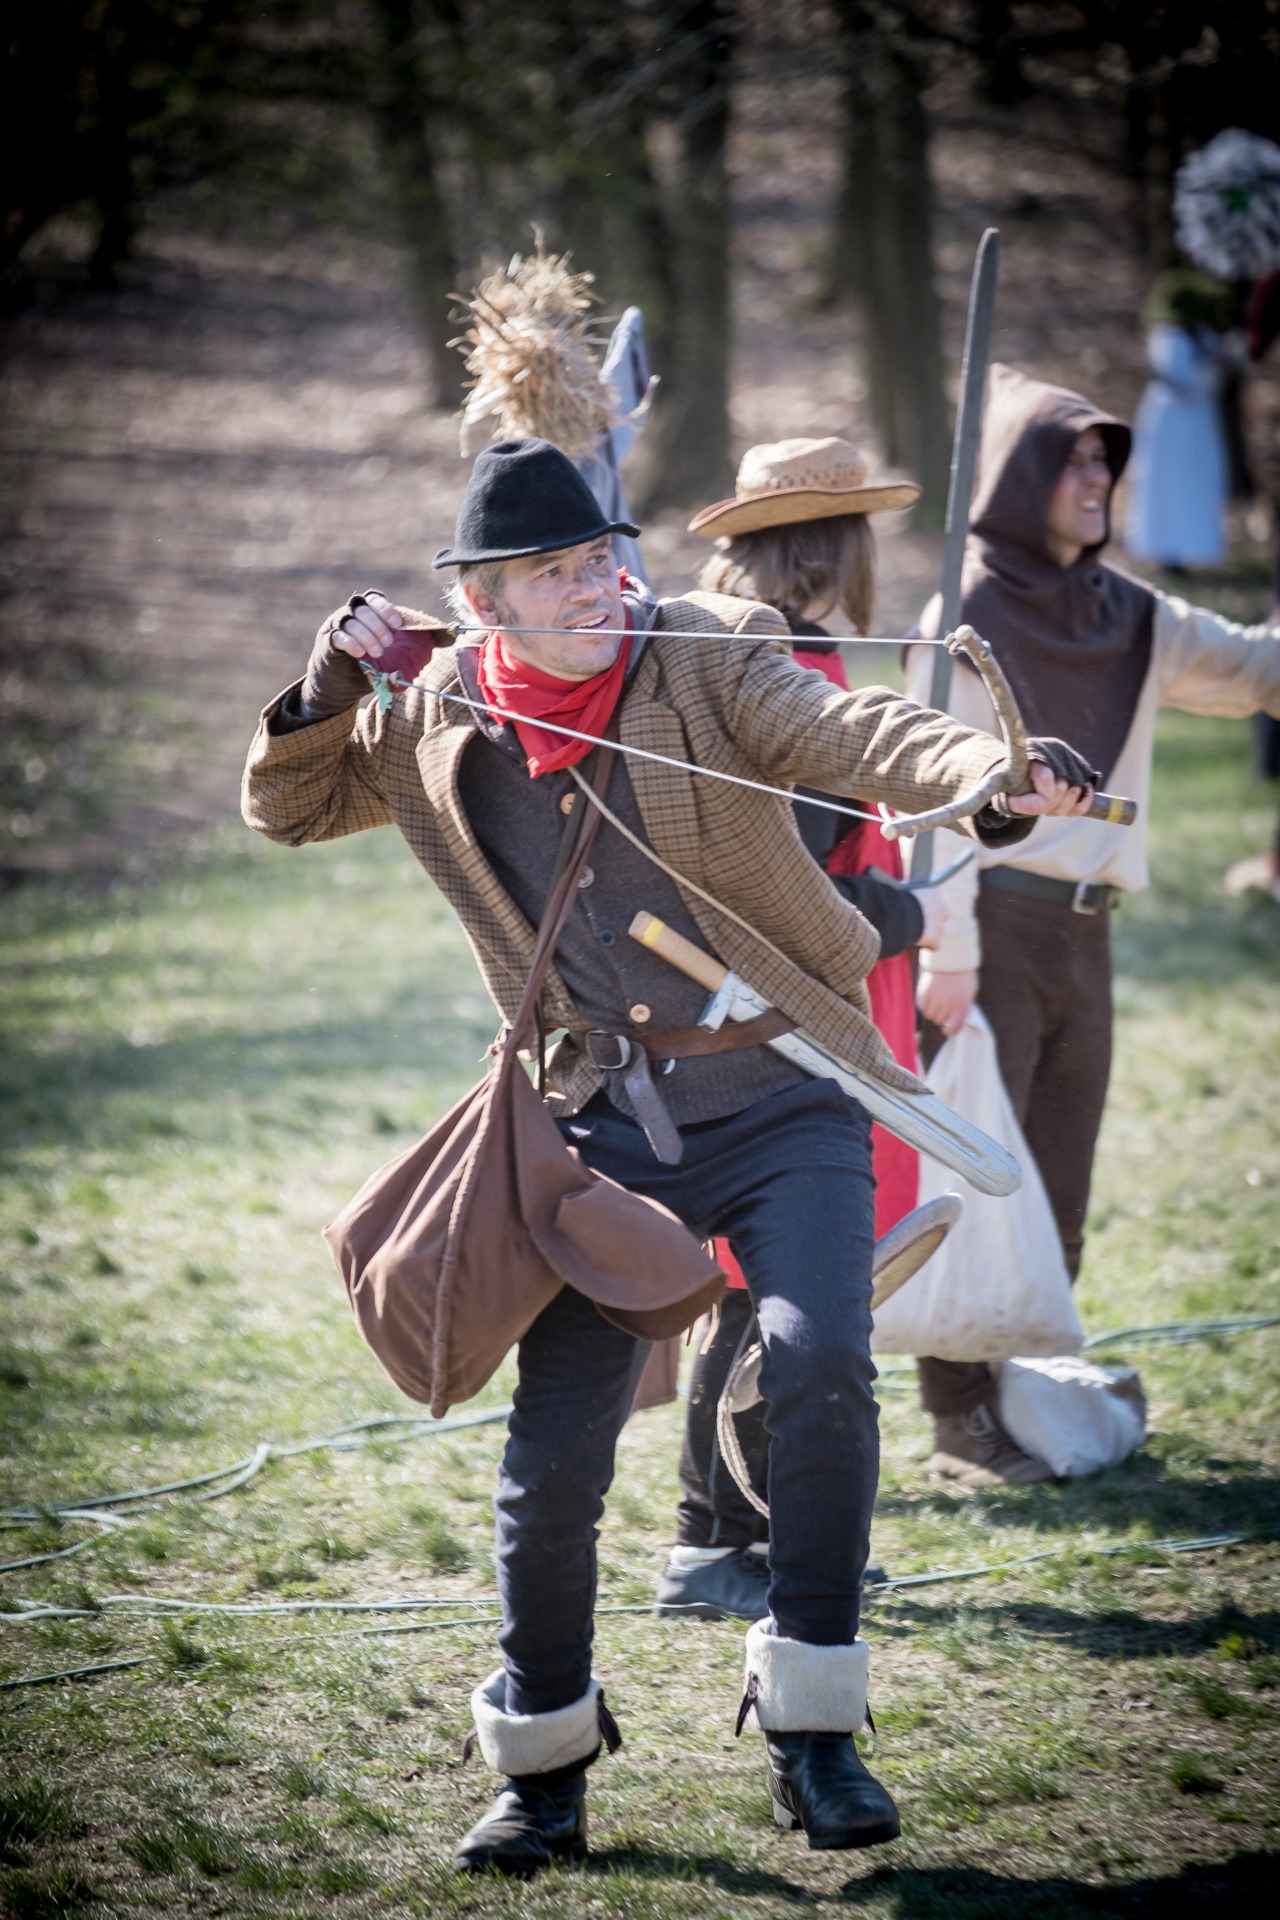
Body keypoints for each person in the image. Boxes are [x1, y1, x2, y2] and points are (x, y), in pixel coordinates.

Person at [242, 436, 1097, 1873]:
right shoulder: (436, 709)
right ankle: (544, 1766)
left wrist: (989, 776)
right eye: (551, 575)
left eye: (599, 559)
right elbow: (290, 807)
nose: (592, 589)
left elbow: (859, 737)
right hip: (595, 1132)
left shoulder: (709, 651)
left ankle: (813, 1729)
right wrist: (327, 684)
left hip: (786, 1093)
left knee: (819, 1367)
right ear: (482, 601)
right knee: (553, 1461)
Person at [910, 364, 1280, 1488]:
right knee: (976, 1175)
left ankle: (1022, 1390)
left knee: (1058, 1185)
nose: (1095, 480)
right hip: (992, 924)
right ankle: (959, 1418)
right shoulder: (960, 615)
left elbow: (1255, 669)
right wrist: (948, 950)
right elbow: (924, 796)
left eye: (1102, 462)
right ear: (1021, 476)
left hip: (1087, 930)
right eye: (1070, 459)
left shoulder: (1134, 615)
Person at [652, 437, 941, 1621]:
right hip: (792, 1004)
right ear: (835, 548)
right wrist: (910, 912)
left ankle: (729, 1536)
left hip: (747, 1005)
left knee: (755, 1286)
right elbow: (795, 883)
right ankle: (727, 1540)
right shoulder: (785, 670)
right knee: (781, 1287)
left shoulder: (698, 658)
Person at [1125, 269, 1233, 571]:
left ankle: (1190, 549)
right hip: (1170, 420)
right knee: (1167, 482)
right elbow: (1187, 383)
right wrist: (1214, 367)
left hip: (1197, 423)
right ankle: (1165, 552)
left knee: (1195, 481)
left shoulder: (1203, 336)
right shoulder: (1168, 339)